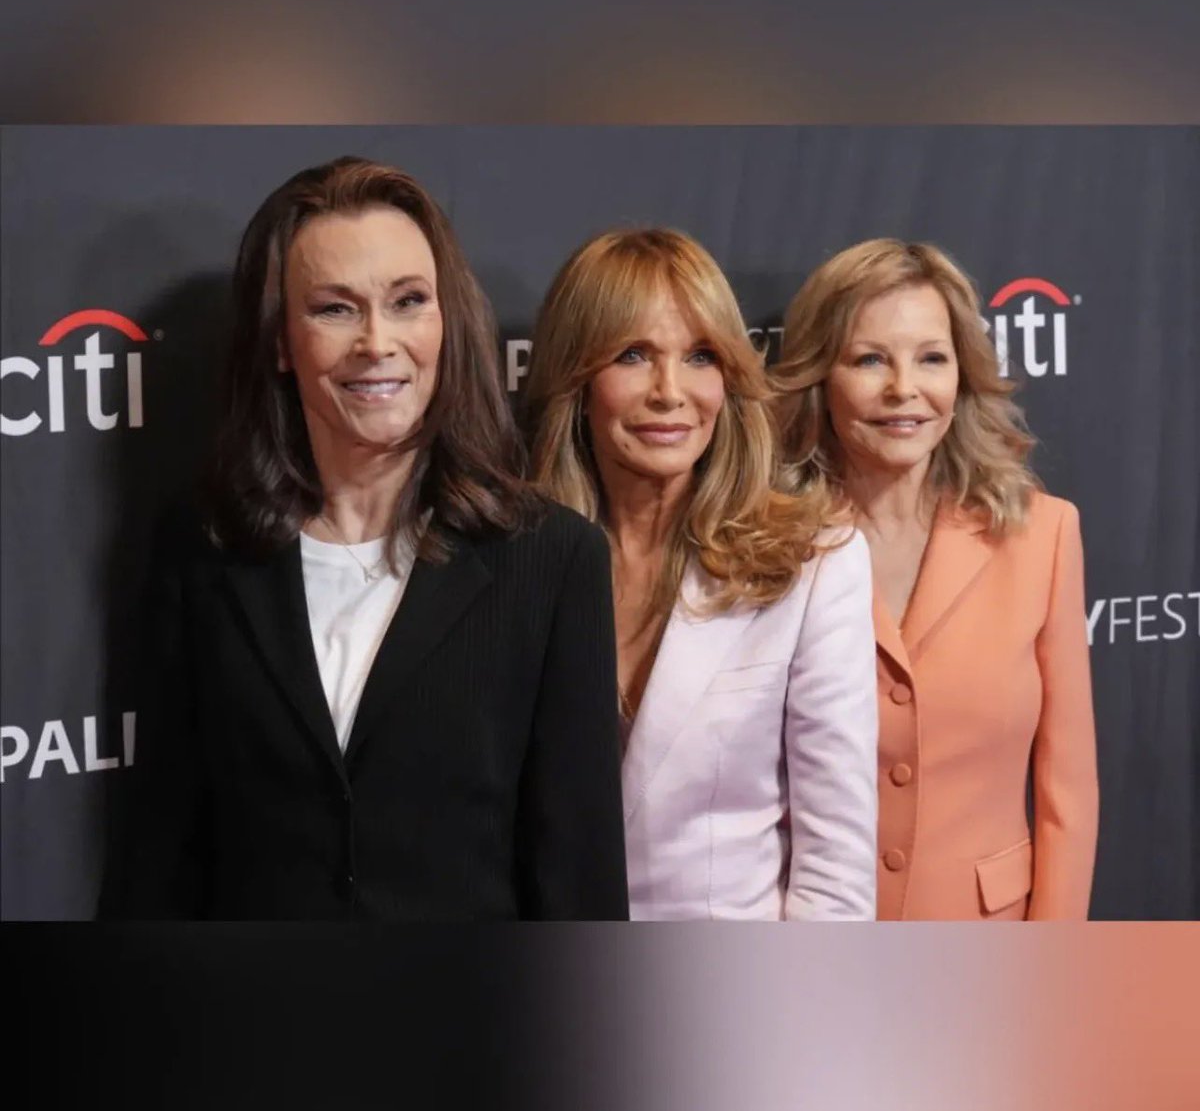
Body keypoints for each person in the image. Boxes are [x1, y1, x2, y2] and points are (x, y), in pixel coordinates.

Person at [100, 156, 629, 919]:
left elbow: (578, 874)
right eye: (335, 309)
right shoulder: (204, 549)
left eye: (408, 301)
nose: (377, 342)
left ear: (446, 322)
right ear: (281, 343)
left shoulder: (552, 560)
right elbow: (158, 850)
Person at [525, 228, 878, 920]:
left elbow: (835, 870)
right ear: (577, 378)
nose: (670, 392)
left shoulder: (814, 563)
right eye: (632, 355)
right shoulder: (513, 563)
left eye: (700, 357)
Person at [773, 238, 1099, 920]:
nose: (904, 389)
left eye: (931, 358)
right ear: (820, 377)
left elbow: (1067, 794)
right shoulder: (767, 544)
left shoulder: (1042, 535)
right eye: (870, 359)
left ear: (963, 373)